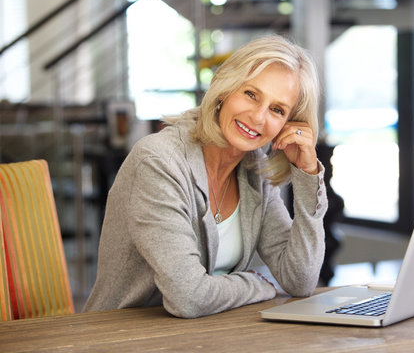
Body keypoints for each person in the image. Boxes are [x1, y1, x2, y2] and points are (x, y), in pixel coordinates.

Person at [83, 35, 328, 318]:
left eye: (277, 110)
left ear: (288, 124)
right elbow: (189, 297)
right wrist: (255, 284)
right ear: (225, 87)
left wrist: (307, 175)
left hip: (204, 337)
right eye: (250, 94)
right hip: (122, 339)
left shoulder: (253, 172)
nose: (259, 117)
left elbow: (300, 279)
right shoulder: (158, 162)